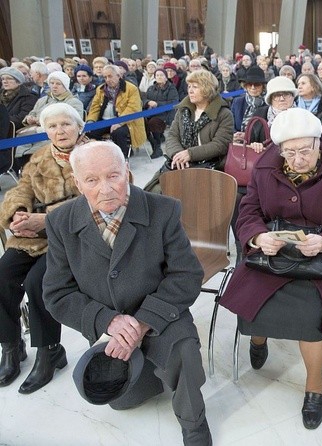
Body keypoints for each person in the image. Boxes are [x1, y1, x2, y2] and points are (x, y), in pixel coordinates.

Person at [43, 141, 211, 445]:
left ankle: (193, 421)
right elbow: (57, 293)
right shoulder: (60, 223)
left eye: (113, 176)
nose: (105, 188)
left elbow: (187, 275)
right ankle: (148, 373)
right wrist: (108, 322)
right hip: (108, 325)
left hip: (161, 314)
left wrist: (143, 322)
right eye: (92, 180)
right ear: (78, 183)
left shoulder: (164, 209)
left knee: (185, 352)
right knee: (122, 401)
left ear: (128, 173)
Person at [220, 108, 322, 430]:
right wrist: (258, 236)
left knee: (314, 312)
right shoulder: (265, 166)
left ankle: (315, 383)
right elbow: (248, 211)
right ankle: (259, 340)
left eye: (306, 151)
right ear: (280, 150)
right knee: (252, 296)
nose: (298, 160)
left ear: (319, 144)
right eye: (290, 153)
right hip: (273, 248)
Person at [0, 103, 85, 394]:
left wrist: (46, 219)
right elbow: (20, 190)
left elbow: (98, 201)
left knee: (40, 281)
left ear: (79, 127)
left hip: (77, 236)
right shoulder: (38, 158)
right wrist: (17, 214)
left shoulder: (94, 154)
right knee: (2, 273)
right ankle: (11, 346)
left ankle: (49, 351)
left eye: (66, 124)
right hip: (34, 235)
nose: (59, 131)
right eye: (52, 126)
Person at [162, 70, 233, 171]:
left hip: (211, 166)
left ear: (207, 89)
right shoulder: (183, 110)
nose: (190, 91)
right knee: (155, 186)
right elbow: (172, 136)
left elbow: (220, 145)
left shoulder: (224, 114)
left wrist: (190, 154)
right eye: (189, 86)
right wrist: (177, 154)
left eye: (195, 87)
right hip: (180, 164)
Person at [86, 64, 146, 157]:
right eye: (105, 77)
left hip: (127, 122)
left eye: (110, 76)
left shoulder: (131, 89)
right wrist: (90, 121)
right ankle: (101, 155)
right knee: (90, 131)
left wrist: (119, 122)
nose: (107, 80)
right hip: (105, 120)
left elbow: (133, 109)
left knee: (118, 132)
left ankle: (122, 158)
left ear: (118, 76)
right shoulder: (101, 89)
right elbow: (95, 107)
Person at [0, 66, 38, 173]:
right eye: (3, 79)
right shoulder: (1, 95)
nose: (5, 81)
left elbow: (22, 117)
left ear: (18, 81)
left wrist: (3, 121)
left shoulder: (28, 96)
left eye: (9, 79)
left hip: (14, 132)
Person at [143, 68, 179, 159]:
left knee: (154, 123)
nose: (159, 77)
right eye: (157, 75)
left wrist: (157, 104)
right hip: (151, 113)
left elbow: (174, 102)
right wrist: (148, 102)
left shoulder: (171, 88)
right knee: (142, 123)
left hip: (165, 114)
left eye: (161, 75)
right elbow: (144, 99)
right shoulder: (151, 88)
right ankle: (154, 144)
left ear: (166, 77)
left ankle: (157, 146)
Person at [230, 66, 267, 132]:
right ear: (245, 86)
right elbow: (230, 124)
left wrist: (247, 136)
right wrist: (235, 135)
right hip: (238, 140)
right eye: (249, 84)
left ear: (263, 87)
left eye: (257, 84)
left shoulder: (268, 104)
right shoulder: (238, 102)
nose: (253, 88)